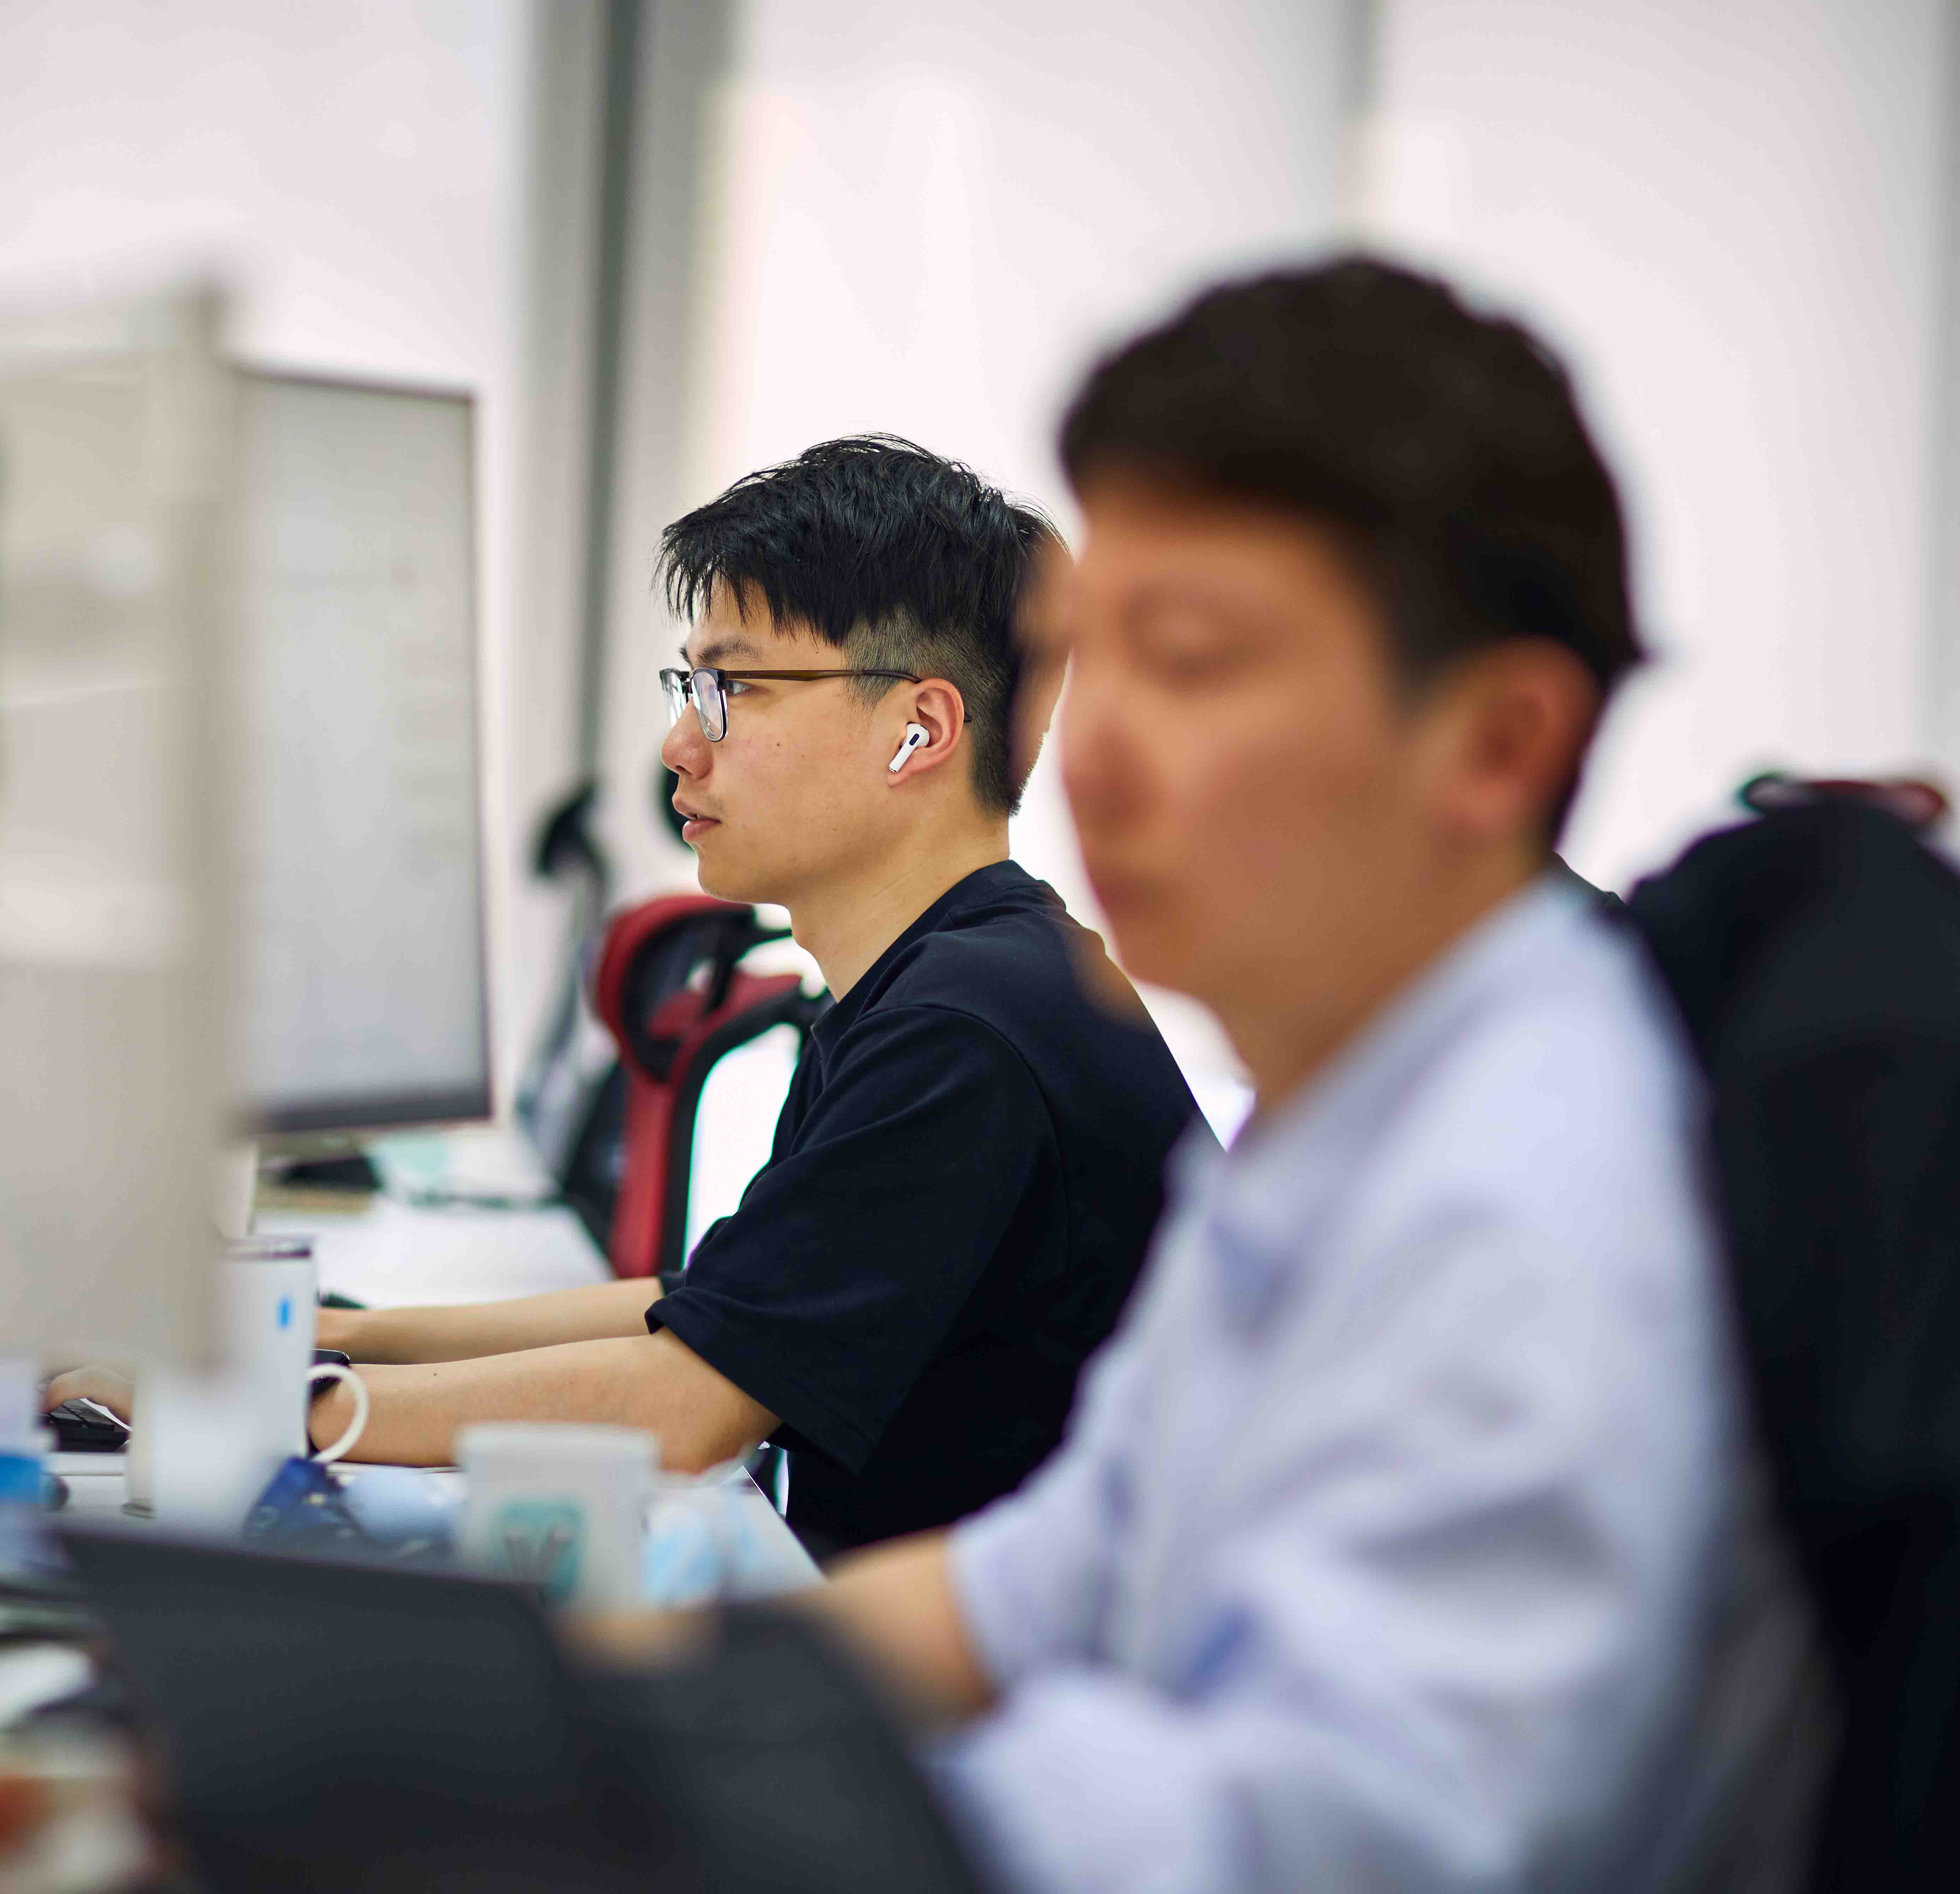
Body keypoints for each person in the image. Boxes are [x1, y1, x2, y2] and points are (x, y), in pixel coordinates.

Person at [792, 263, 1824, 1890]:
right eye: (1086, 660)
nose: (1101, 747)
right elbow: (1038, 1585)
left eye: (1193, 660)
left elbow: (1293, 1841)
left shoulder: (1534, 1207)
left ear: (1495, 745)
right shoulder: (1340, 1115)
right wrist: (593, 1713)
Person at [97, 435, 1183, 1557]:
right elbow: (706, 1303)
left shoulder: (969, 1030)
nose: (679, 746)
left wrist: (269, 1409)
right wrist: (319, 1338)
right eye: (692, 687)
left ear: (921, 729)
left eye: (737, 689)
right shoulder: (948, 976)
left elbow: (687, 1404)